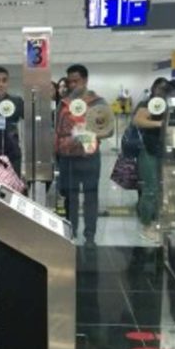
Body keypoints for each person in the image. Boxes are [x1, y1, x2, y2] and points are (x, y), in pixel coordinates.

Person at [55, 64, 111, 246]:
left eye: (76, 81)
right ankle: (70, 233)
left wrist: (87, 135)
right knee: (70, 197)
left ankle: (90, 236)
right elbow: (57, 130)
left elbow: (108, 130)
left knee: (90, 197)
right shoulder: (63, 103)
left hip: (89, 157)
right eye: (70, 81)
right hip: (67, 157)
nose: (72, 85)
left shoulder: (98, 103)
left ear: (85, 80)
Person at [133, 77, 170, 241]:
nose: (161, 91)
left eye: (165, 89)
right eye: (159, 88)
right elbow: (138, 120)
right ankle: (146, 224)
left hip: (167, 152)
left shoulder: (169, 105)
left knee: (162, 190)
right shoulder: (146, 104)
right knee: (150, 189)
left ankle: (156, 222)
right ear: (153, 88)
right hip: (148, 151)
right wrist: (160, 124)